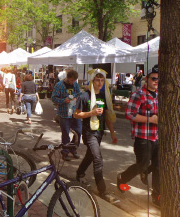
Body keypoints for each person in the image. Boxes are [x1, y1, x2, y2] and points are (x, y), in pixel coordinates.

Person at [117, 65, 160, 206]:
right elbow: (129, 114)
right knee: (142, 165)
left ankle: (157, 195)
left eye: (159, 80)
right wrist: (150, 119)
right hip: (143, 137)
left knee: (159, 166)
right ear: (146, 79)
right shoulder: (138, 95)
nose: (156, 82)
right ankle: (122, 178)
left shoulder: (160, 94)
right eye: (154, 79)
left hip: (157, 137)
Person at [74, 68, 118, 204]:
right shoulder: (84, 96)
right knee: (98, 159)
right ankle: (102, 190)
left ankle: (80, 173)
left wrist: (112, 133)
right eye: (97, 80)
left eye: (102, 80)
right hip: (88, 133)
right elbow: (76, 114)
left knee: (91, 155)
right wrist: (91, 113)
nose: (99, 83)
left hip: (99, 132)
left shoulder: (104, 96)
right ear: (92, 81)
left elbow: (106, 116)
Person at [51, 70, 82, 161]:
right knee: (65, 134)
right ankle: (65, 152)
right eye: (71, 80)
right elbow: (53, 98)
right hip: (64, 113)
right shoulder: (59, 85)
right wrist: (64, 100)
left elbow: (79, 93)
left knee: (79, 131)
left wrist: (76, 97)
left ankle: (73, 148)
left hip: (74, 112)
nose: (72, 82)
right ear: (67, 78)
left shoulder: (75, 84)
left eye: (74, 80)